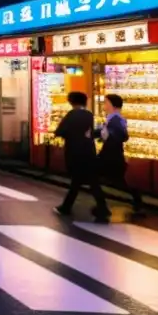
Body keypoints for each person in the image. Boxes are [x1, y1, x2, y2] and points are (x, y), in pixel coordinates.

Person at [55, 91, 110, 222]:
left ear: (71, 102)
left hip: (75, 152)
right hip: (88, 151)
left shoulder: (71, 115)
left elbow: (60, 131)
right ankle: (68, 207)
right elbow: (91, 133)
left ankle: (68, 207)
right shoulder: (89, 115)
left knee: (81, 180)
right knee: (89, 181)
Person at [98, 93, 144, 215]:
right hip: (111, 154)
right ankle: (137, 200)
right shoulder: (112, 118)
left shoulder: (116, 119)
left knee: (97, 178)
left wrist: (107, 135)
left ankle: (102, 207)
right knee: (116, 180)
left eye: (106, 102)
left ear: (113, 105)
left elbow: (123, 135)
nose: (104, 105)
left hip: (111, 155)